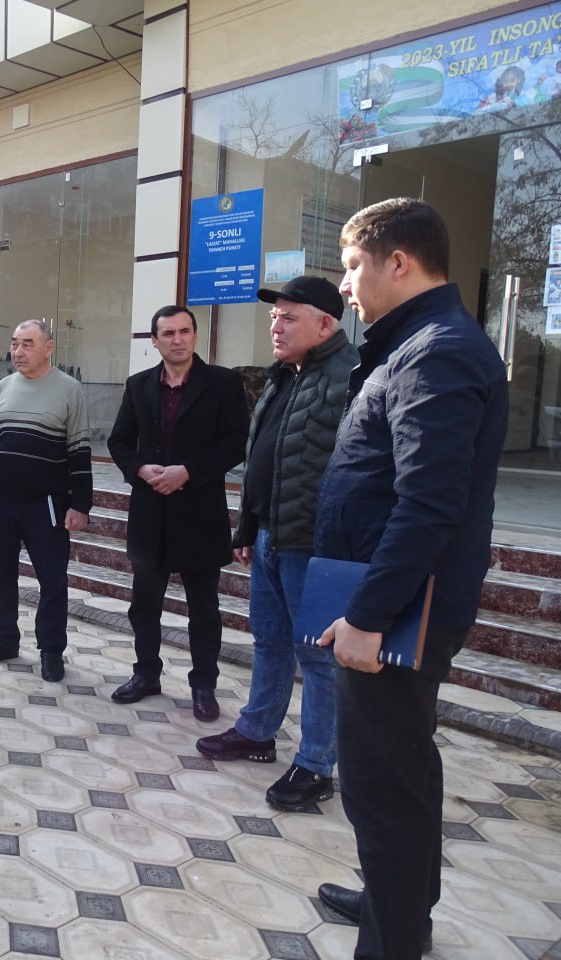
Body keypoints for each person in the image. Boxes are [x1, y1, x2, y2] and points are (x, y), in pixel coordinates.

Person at [313, 198, 507, 959]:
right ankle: (400, 908)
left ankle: (391, 941)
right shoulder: (418, 343)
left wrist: (367, 616)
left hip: (399, 609)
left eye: (352, 266)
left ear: (398, 262)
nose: (346, 285)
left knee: (381, 785)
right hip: (392, 597)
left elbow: (429, 502)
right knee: (405, 768)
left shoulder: (437, 350)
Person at [195, 276, 357, 811]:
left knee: (316, 656)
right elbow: (261, 456)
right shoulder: (284, 375)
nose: (276, 326)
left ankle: (316, 764)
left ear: (325, 324)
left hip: (313, 545)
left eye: (289, 317)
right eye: (274, 317)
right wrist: (247, 528)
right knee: (269, 641)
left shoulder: (350, 376)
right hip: (269, 534)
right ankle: (257, 732)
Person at [107, 305, 248, 721]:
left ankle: (204, 686)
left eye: (185, 331)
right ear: (154, 341)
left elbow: (236, 442)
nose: (178, 340)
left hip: (199, 513)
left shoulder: (222, 383)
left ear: (195, 336)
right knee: (144, 607)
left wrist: (189, 470)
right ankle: (146, 674)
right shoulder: (138, 385)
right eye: (168, 333)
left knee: (203, 610)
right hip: (150, 514)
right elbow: (119, 441)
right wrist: (139, 470)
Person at [0, 319, 92, 682]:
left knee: (52, 579)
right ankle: (4, 639)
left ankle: (51, 650)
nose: (17, 352)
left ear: (48, 348)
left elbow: (80, 450)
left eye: (27, 344)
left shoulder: (69, 390)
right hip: (0, 499)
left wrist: (81, 504)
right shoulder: (2, 388)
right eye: (14, 344)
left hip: (46, 503)